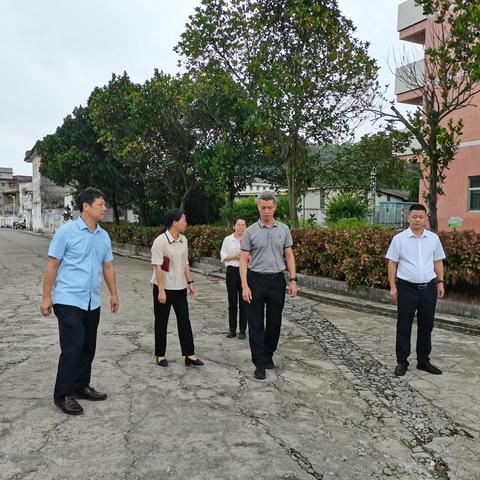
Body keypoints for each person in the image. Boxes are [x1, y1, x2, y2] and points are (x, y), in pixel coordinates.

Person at [40, 188, 119, 415]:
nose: (105, 208)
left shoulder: (103, 236)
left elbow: (108, 266)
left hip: (92, 301)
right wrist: (47, 297)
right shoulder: (67, 232)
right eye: (101, 205)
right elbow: (53, 265)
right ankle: (62, 395)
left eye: (105, 205)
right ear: (86, 206)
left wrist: (113, 294)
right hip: (68, 298)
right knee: (73, 346)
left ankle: (80, 385)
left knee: (88, 346)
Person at [239, 192, 298, 380]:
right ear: (258, 208)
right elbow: (242, 260)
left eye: (269, 207)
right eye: (263, 207)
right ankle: (259, 363)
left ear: (275, 208)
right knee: (255, 323)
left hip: (277, 281)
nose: (266, 211)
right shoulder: (250, 231)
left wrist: (293, 280)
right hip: (255, 279)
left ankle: (268, 353)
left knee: (274, 322)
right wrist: (245, 285)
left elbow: (289, 255)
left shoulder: (284, 229)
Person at [385, 203, 446, 377]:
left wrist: (440, 282)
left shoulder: (433, 239)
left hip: (428, 288)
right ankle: (402, 361)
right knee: (404, 324)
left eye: (421, 217)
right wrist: (393, 286)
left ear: (426, 218)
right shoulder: (399, 239)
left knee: (427, 325)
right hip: (406, 288)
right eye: (415, 217)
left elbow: (438, 261)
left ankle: (423, 361)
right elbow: (392, 263)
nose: (418, 220)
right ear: (408, 218)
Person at [151, 209, 203, 367]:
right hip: (163, 288)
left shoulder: (183, 240)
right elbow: (158, 267)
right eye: (184, 220)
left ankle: (190, 354)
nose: (186, 222)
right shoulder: (160, 241)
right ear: (174, 222)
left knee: (184, 321)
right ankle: (160, 355)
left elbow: (185, 263)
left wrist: (190, 282)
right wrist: (161, 290)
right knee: (161, 321)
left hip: (179, 288)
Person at [220, 217, 248, 339]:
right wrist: (235, 257)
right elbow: (223, 257)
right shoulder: (228, 240)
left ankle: (242, 330)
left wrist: (245, 257)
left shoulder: (248, 239)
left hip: (246, 272)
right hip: (232, 271)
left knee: (244, 302)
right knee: (232, 302)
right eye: (239, 225)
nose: (241, 227)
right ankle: (232, 329)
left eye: (243, 225)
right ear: (234, 226)